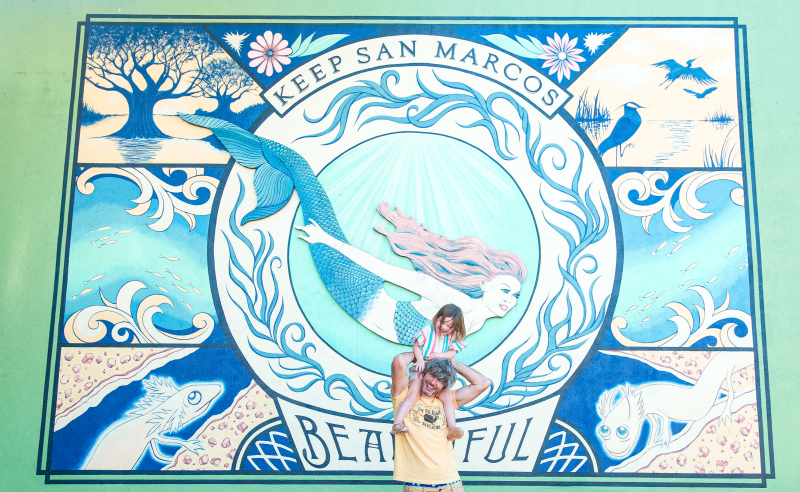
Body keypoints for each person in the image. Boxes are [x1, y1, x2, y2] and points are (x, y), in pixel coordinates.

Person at [295, 202, 527, 346]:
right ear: (486, 285)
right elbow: (384, 270)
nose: (509, 300)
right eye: (505, 290)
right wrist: (326, 240)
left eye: (514, 295)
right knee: (313, 200)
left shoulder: (475, 323)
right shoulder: (453, 299)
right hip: (361, 295)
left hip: (360, 305)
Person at [391, 353, 490, 491]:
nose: (433, 382)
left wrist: (450, 362)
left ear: (444, 384)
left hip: (452, 484)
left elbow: (483, 383)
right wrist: (421, 356)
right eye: (432, 375)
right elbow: (399, 361)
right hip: (418, 487)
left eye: (440, 380)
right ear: (424, 372)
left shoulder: (445, 400)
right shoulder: (404, 397)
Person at [392, 304, 467, 441]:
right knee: (413, 395)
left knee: (448, 396)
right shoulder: (428, 330)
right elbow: (416, 345)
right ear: (437, 317)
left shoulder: (451, 338)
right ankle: (397, 422)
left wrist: (440, 355)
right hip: (422, 369)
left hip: (437, 374)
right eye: (442, 322)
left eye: (449, 326)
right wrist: (419, 359)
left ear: (454, 328)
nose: (444, 327)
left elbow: (452, 353)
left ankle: (452, 428)